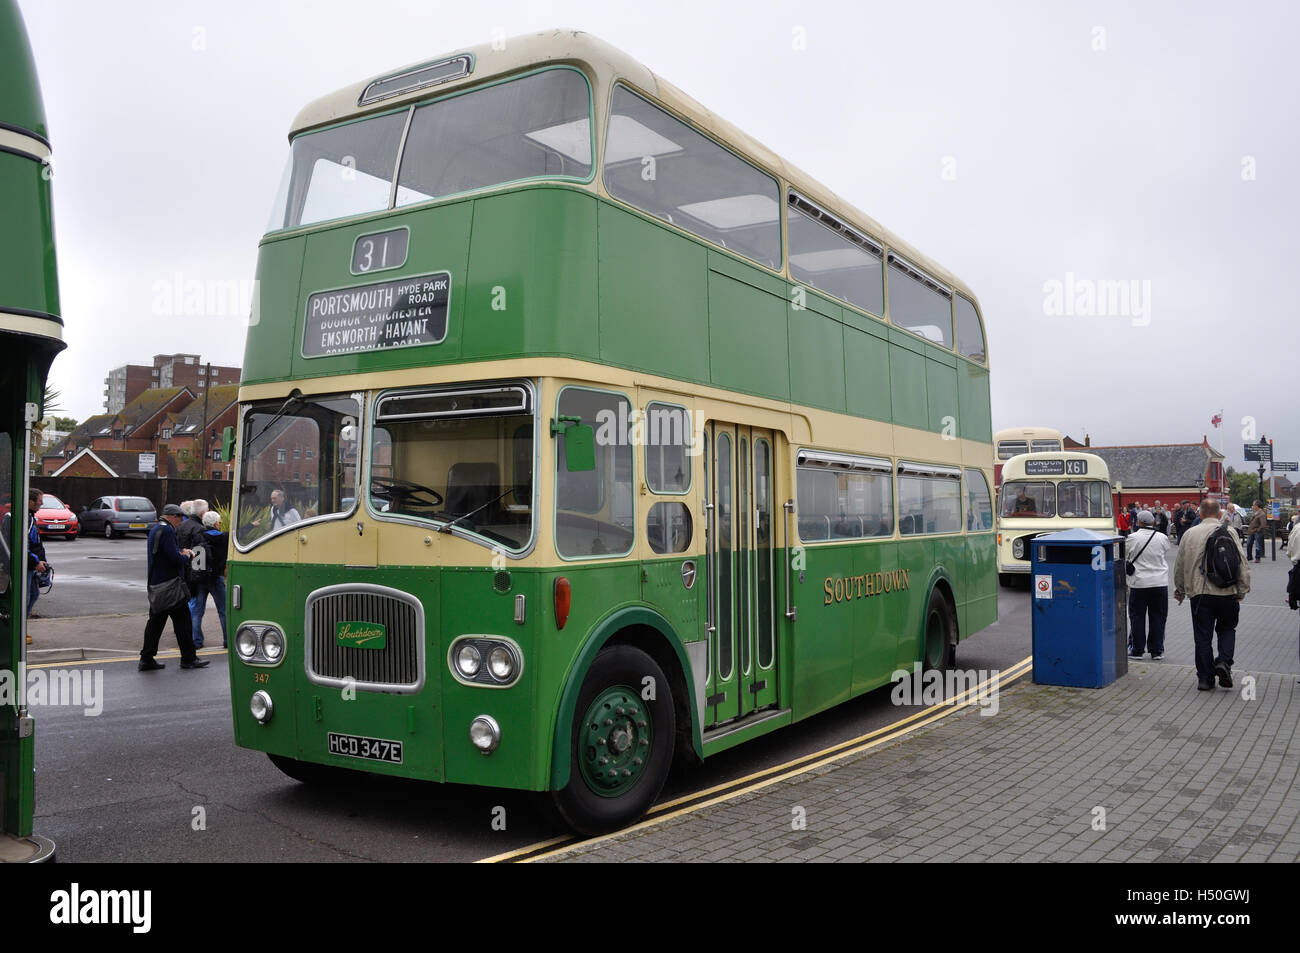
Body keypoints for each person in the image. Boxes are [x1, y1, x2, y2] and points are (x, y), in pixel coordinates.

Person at [1174, 499, 1250, 691]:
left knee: (1202, 636)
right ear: (1219, 514)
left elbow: (1180, 565)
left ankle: (1206, 678)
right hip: (1227, 591)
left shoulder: (1190, 534)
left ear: (1200, 514)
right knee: (1227, 629)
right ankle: (1224, 662)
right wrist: (1242, 588)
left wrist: (1180, 589)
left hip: (1200, 593)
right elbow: (1242, 563)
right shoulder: (1230, 532)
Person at [140, 504, 209, 672]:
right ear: (173, 516)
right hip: (170, 586)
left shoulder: (156, 529)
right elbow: (174, 559)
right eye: (179, 518)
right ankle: (188, 659)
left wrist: (179, 552)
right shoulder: (168, 530)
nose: (180, 522)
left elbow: (164, 554)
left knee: (155, 624)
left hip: (158, 584)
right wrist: (186, 555)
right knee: (183, 623)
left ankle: (146, 658)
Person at [1126, 510, 1173, 660]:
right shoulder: (1163, 538)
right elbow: (1165, 551)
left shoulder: (1132, 538)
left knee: (1137, 617)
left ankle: (1137, 650)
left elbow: (1125, 555)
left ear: (1138, 522)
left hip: (1139, 583)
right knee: (1158, 617)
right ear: (1153, 522)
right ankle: (1157, 650)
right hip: (1159, 582)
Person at [190, 509, 229, 649]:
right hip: (216, 578)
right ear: (216, 523)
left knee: (197, 612)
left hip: (201, 578)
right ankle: (227, 641)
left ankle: (196, 641)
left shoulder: (198, 536)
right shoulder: (223, 537)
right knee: (223, 611)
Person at [25, 488, 48, 639]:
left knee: (33, 595)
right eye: (39, 501)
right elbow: (23, 545)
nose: (42, 504)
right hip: (27, 567)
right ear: (30, 501)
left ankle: (22, 627)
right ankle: (19, 630)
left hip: (32, 566)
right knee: (25, 598)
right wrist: (35, 562)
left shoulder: (30, 517)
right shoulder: (25, 519)